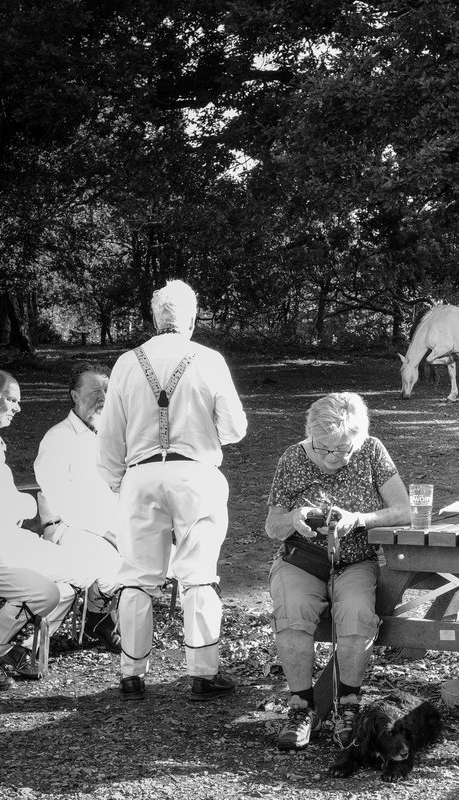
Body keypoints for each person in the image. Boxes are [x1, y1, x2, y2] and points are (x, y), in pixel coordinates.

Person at [97, 279, 248, 702]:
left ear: (153, 317)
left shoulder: (127, 363)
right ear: (193, 318)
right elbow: (235, 429)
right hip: (195, 476)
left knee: (136, 577)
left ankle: (131, 674)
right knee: (198, 575)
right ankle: (203, 672)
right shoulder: (209, 359)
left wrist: (116, 481)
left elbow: (109, 434)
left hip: (141, 475)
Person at [0, 369, 115, 691]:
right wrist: (27, 506)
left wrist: (15, 506)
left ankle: (0, 652)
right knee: (58, 583)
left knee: (64, 581)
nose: (18, 408)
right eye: (13, 400)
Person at [265, 392, 410, 751]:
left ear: (359, 440)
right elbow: (272, 526)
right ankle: (300, 707)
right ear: (310, 434)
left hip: (355, 559)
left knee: (358, 613)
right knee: (293, 610)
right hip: (301, 559)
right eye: (324, 448)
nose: (332, 458)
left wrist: (359, 518)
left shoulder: (372, 451)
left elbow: (404, 510)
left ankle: (348, 705)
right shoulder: (293, 458)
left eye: (342, 450)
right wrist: (293, 519)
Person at [33, 362, 123, 652]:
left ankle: (99, 616)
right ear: (74, 396)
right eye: (95, 390)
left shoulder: (110, 437)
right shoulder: (58, 438)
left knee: (151, 554)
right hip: (65, 528)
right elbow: (61, 501)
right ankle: (98, 617)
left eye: (107, 391)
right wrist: (107, 532)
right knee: (112, 559)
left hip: (107, 526)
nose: (103, 397)